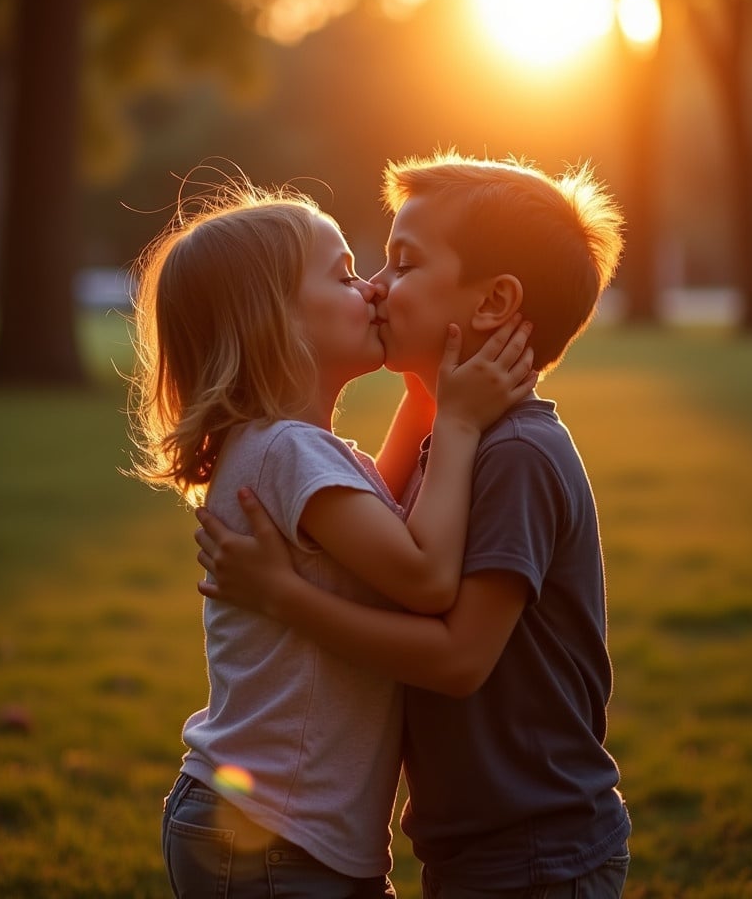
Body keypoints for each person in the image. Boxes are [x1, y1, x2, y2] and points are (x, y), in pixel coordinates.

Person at [194, 151, 632, 898]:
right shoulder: (461, 444)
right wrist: (431, 404)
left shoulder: (514, 454)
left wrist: (285, 597)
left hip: (538, 845)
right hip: (474, 841)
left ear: (493, 302)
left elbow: (460, 660)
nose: (375, 285)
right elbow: (394, 532)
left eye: (403, 263)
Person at [127, 176, 536, 899]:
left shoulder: (285, 450)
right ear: (275, 322)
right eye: (346, 275)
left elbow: (367, 533)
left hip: (268, 826)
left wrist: (422, 405)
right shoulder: (288, 451)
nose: (374, 290)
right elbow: (424, 576)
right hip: (274, 836)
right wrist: (460, 425)